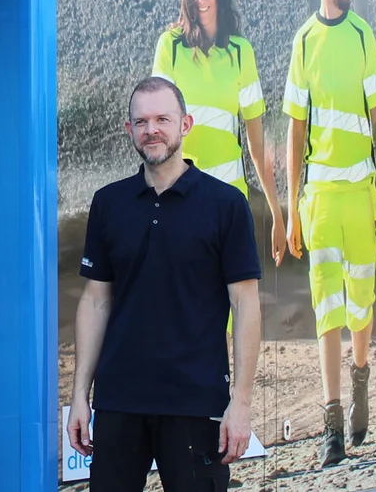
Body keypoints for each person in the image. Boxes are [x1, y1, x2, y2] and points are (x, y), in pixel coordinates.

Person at [67, 77, 262, 491]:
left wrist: (241, 403)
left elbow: (246, 305)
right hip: (119, 403)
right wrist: (79, 395)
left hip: (195, 404)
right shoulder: (109, 203)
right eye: (141, 122)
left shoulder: (226, 205)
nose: (151, 130)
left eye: (162, 119)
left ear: (185, 125)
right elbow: (96, 301)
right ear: (129, 130)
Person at [282, 0, 376, 468]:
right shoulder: (304, 42)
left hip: (361, 193)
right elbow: (295, 128)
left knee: (361, 306)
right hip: (321, 199)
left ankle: (360, 378)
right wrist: (291, 205)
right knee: (328, 308)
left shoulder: (363, 36)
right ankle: (331, 425)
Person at [151, 0, 287, 271]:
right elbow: (155, 133)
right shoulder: (169, 48)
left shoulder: (241, 53)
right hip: (180, 203)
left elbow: (257, 144)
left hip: (229, 203)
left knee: (229, 301)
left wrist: (277, 213)